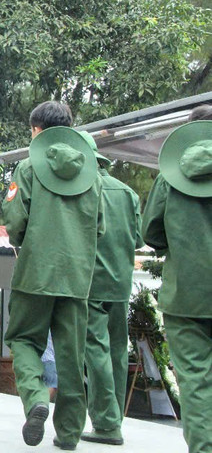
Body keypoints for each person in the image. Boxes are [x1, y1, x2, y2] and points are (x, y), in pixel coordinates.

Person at [3, 101, 104, 450]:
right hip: (77, 278)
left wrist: (25, 243)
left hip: (35, 273)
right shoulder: (92, 173)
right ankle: (70, 434)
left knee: (23, 339)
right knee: (71, 354)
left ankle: (36, 400)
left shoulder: (29, 168)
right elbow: (100, 228)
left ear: (36, 131)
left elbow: (15, 223)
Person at [141, 108, 212, 453]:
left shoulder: (169, 177)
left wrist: (179, 246)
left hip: (186, 294)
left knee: (197, 382)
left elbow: (151, 231)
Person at [80, 131, 142, 446]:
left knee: (96, 350)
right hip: (121, 282)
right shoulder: (128, 193)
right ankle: (114, 419)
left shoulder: (84, 190)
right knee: (118, 350)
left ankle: (105, 424)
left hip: (92, 282)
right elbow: (140, 239)